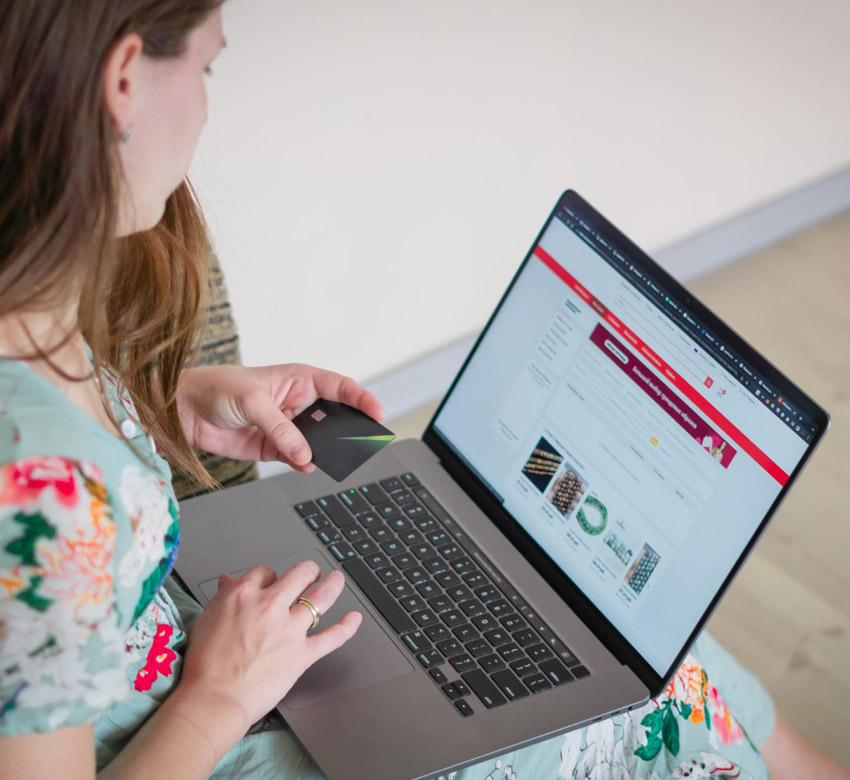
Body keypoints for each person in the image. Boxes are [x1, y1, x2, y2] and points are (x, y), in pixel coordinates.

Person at [1, 3, 848, 779]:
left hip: (214, 660)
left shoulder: (30, 315)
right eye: (207, 68)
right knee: (656, 690)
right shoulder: (49, 495)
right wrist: (217, 697)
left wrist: (167, 403)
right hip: (204, 726)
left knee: (635, 645)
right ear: (122, 82)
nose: (206, 105)